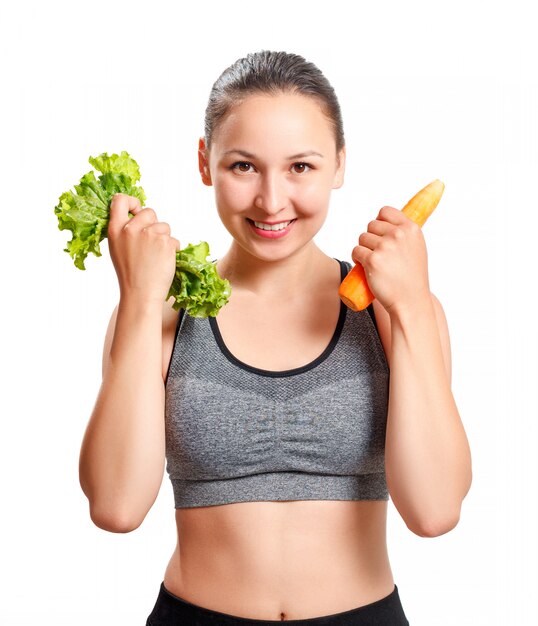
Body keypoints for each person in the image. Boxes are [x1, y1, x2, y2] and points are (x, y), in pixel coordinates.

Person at [79, 50, 472, 625]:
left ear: (339, 165)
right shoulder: (161, 311)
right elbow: (115, 507)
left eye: (301, 167)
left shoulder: (398, 309)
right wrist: (139, 300)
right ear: (205, 162)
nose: (271, 200)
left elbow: (435, 512)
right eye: (243, 166)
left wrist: (411, 305)